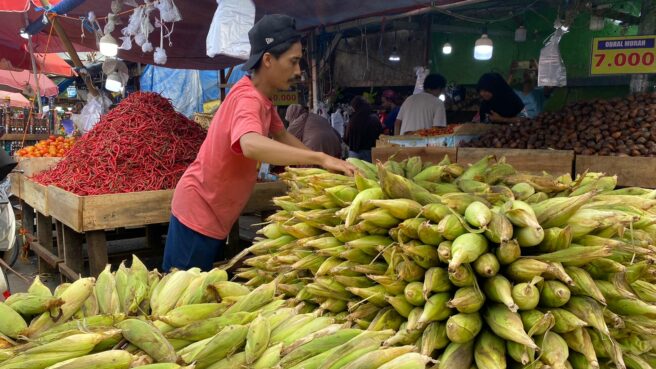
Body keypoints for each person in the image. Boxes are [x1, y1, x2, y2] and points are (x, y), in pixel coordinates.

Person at [163, 14, 356, 271]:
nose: (298, 71)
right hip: (198, 214)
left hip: (215, 213)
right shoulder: (248, 99)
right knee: (179, 300)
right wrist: (320, 158)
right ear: (268, 60)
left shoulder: (264, 100)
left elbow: (282, 135)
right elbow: (250, 144)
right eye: (294, 62)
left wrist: (324, 167)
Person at [345, 96, 382, 162]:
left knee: (354, 171)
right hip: (369, 152)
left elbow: (347, 137)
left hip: (354, 153)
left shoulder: (353, 120)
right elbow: (379, 136)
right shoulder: (374, 118)